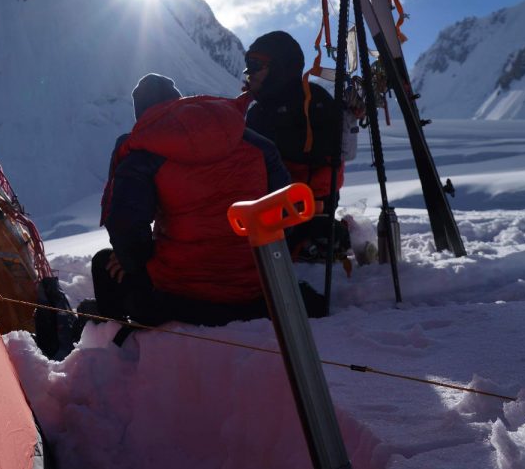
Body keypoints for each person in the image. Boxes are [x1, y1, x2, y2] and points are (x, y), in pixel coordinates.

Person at [89, 74, 324, 334]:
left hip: (184, 299)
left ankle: (115, 340)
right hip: (260, 289)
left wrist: (134, 261)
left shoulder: (143, 154)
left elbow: (125, 227)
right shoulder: (253, 141)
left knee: (104, 263)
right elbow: (284, 214)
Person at [243, 31, 351, 262]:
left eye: (255, 64)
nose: (248, 72)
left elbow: (326, 164)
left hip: (302, 213)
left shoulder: (312, 103)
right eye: (247, 64)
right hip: (275, 209)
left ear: (280, 67)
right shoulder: (260, 110)